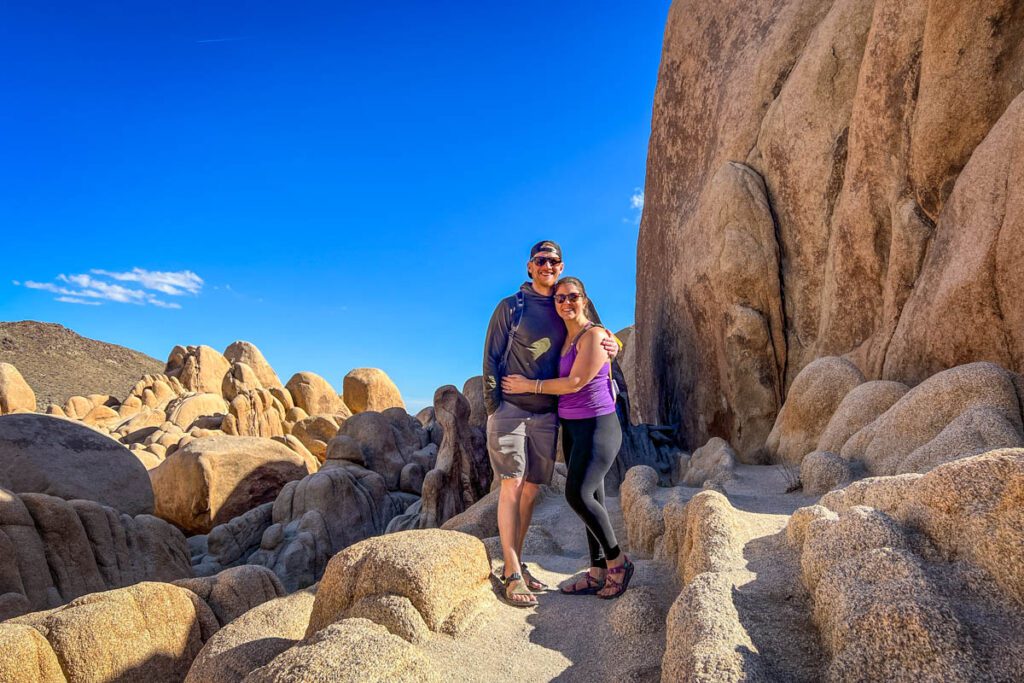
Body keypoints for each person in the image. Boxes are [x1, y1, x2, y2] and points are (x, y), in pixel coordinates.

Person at [483, 241, 619, 607]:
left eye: (553, 261)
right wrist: (494, 406)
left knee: (530, 490)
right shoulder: (511, 308)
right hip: (512, 410)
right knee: (511, 485)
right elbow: (492, 357)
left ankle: (521, 563)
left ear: (562, 267)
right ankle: (512, 572)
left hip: (549, 415)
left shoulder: (565, 302)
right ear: (530, 266)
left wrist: (614, 342)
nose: (547, 266)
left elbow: (596, 331)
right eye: (541, 260)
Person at [502, 276, 633, 599]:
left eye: (572, 297)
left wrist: (527, 386)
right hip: (573, 427)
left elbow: (575, 382)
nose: (565, 302)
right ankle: (597, 570)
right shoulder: (564, 336)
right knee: (595, 497)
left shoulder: (594, 336)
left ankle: (618, 562)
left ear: (584, 300)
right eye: (559, 298)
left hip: (598, 426)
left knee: (578, 494)